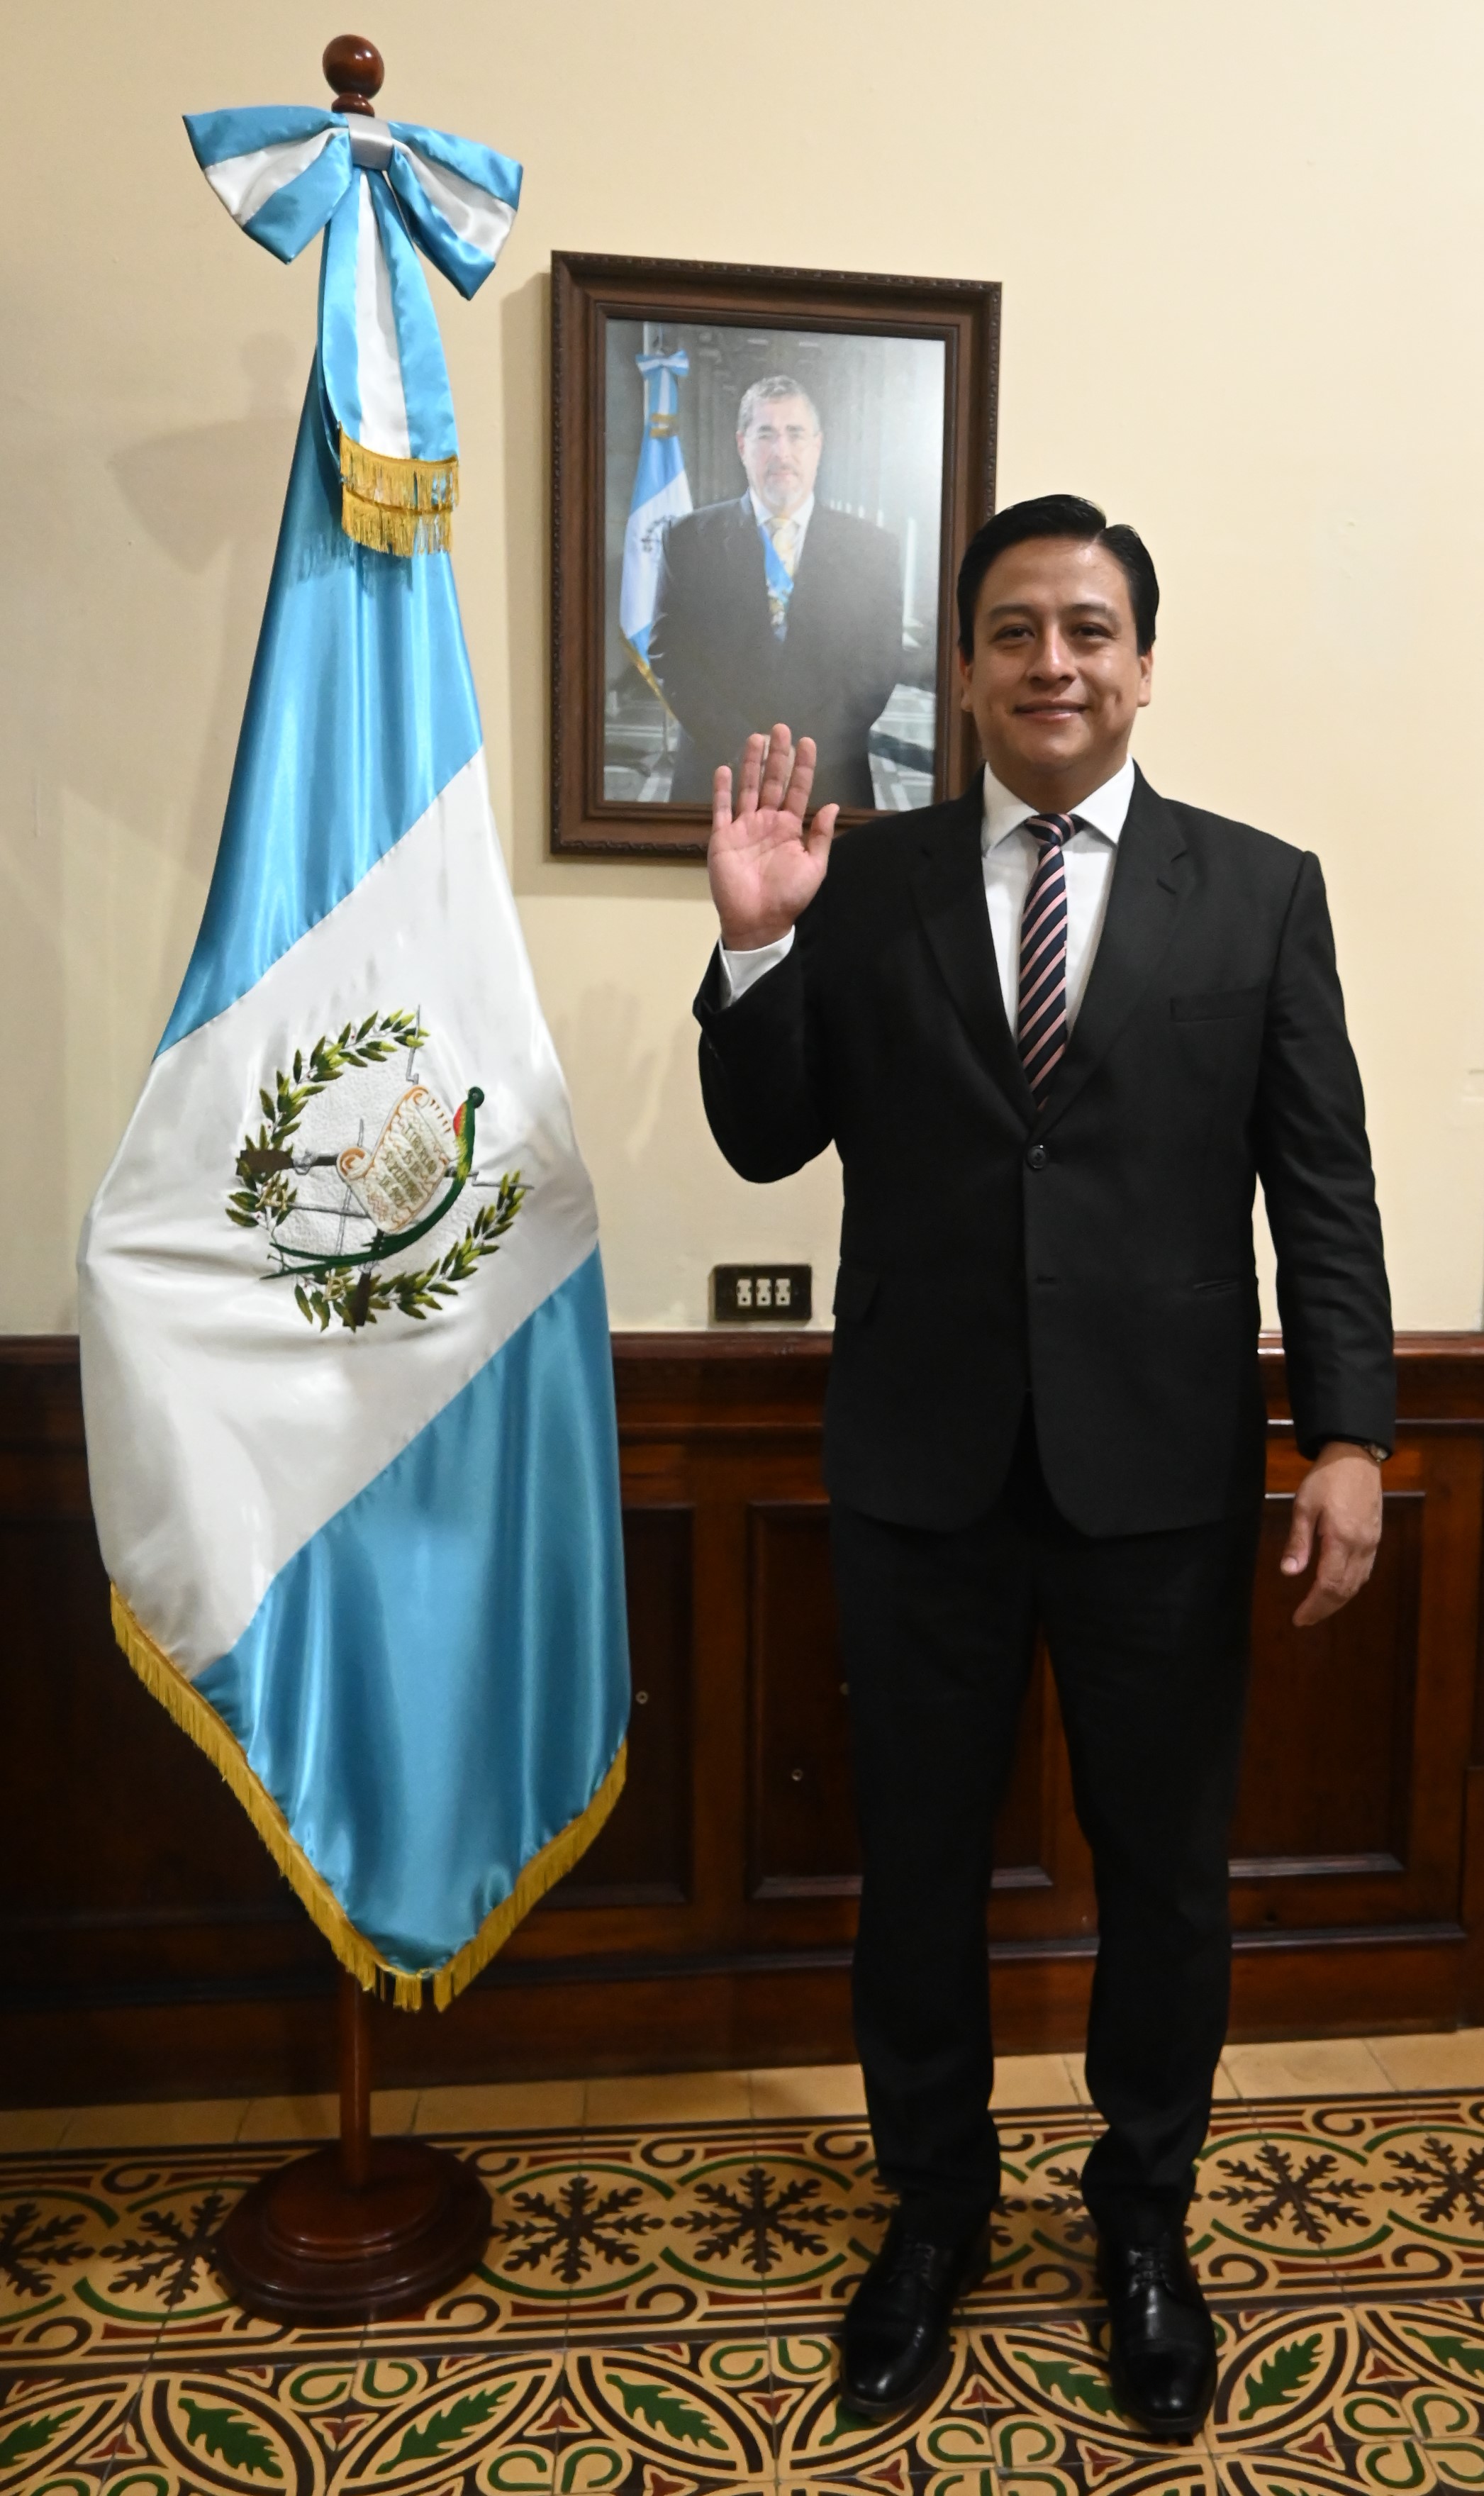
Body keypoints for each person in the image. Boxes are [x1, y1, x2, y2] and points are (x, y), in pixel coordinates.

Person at [692, 494, 1393, 2439]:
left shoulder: (1257, 891)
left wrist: (1346, 1431)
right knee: (914, 1872)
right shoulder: (863, 878)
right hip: (918, 1473)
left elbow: (1320, 1184)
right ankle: (931, 2210)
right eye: (1014, 629)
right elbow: (764, 1139)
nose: (1052, 661)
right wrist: (753, 947)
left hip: (1164, 1480)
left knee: (1165, 1880)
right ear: (966, 666)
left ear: (1141, 662)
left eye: (1088, 628)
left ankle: (1142, 2217)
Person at [648, 375, 903, 811]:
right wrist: (743, 746)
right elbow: (670, 655)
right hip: (715, 778)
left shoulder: (874, 549)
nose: (781, 451)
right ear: (742, 445)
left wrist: (798, 753)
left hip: (831, 782)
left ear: (817, 446)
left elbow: (877, 668)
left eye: (795, 434)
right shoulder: (689, 539)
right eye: (765, 434)